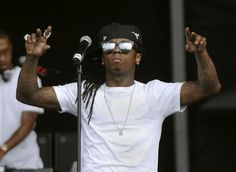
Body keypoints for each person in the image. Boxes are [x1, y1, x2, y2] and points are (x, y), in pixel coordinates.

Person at [16, 23, 221, 172]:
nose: (116, 51)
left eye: (124, 47)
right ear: (102, 59)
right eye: (109, 47)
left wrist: (201, 53)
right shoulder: (84, 93)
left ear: (137, 57)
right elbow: (28, 95)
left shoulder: (155, 94)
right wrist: (33, 58)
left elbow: (209, 88)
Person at [0, 30, 44, 169]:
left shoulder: (28, 80)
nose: (2, 57)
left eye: (5, 51)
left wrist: (3, 149)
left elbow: (28, 124)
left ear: (12, 48)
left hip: (26, 165)